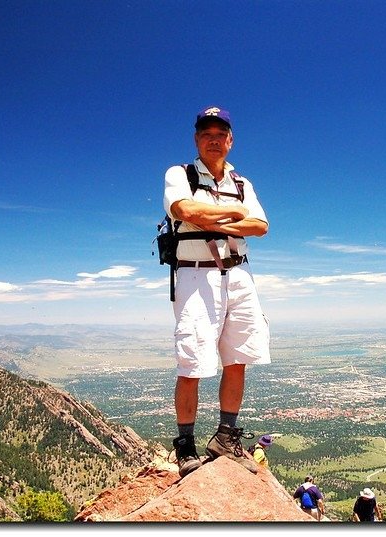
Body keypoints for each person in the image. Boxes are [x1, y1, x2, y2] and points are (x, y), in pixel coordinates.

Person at [164, 106, 271, 478]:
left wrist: (208, 215)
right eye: (206, 132)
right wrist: (232, 217)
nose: (213, 138)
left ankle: (225, 437)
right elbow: (184, 208)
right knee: (192, 361)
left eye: (220, 133)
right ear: (197, 139)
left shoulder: (243, 183)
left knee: (238, 356)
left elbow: (260, 226)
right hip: (196, 276)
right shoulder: (181, 174)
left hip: (238, 276)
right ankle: (186, 446)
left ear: (230, 139)